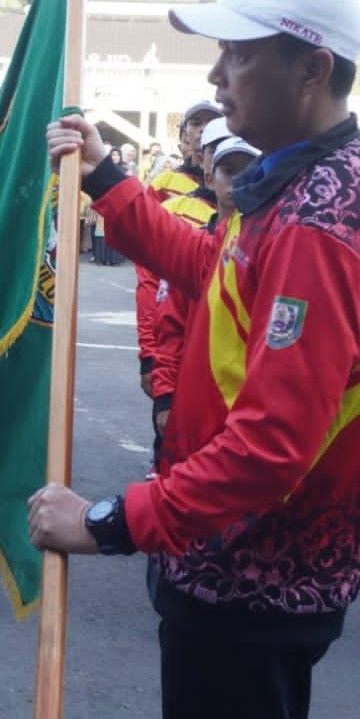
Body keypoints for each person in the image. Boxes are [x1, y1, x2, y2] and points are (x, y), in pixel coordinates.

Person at [32, 0, 360, 719]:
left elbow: (270, 448)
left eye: (238, 53)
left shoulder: (318, 224)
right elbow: (218, 273)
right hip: (238, 564)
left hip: (253, 577)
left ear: (313, 69)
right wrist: (112, 182)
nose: (215, 74)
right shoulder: (297, 187)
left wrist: (108, 521)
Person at [145, 134, 257, 481]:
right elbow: (169, 331)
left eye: (248, 170)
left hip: (247, 409)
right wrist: (165, 397)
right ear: (210, 177)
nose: (237, 180)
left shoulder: (270, 250)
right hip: (192, 408)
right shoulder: (193, 248)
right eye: (228, 170)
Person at [137, 118, 228, 479]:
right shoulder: (175, 213)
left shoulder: (275, 239)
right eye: (224, 164)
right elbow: (160, 308)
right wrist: (157, 375)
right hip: (188, 388)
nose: (236, 180)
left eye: (246, 167)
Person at [146, 100, 221, 202]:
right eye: (196, 123)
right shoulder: (164, 183)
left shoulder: (236, 182)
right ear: (185, 133)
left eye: (211, 123)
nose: (203, 129)